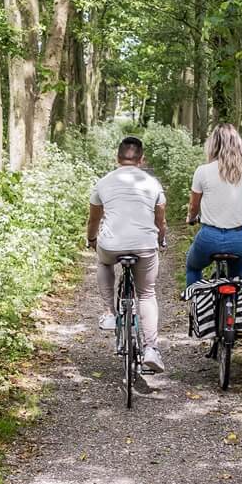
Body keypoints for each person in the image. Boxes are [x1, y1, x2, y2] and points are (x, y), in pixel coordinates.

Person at [88, 135, 167, 374]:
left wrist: (92, 239)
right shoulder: (153, 184)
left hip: (112, 245)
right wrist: (161, 239)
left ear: (117, 158)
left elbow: (93, 219)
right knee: (146, 293)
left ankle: (109, 313)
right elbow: (160, 220)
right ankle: (151, 348)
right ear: (142, 160)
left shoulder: (103, 182)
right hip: (144, 246)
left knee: (103, 261)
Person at [185, 122, 242, 288]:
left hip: (209, 238)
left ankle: (196, 307)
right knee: (237, 277)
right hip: (240, 239)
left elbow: (193, 207)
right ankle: (238, 310)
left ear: (213, 145)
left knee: (192, 267)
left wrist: (191, 218)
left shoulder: (202, 171)